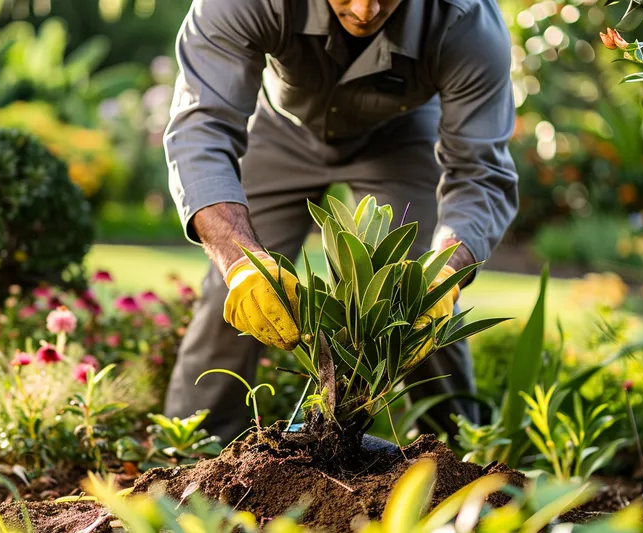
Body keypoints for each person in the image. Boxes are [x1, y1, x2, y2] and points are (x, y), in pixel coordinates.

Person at [161, 0, 519, 442]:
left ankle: (460, 457)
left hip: (400, 136)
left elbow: (480, 173)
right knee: (235, 299)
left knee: (418, 299)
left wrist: (444, 272)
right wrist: (239, 264)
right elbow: (201, 128)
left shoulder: (466, 20)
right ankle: (185, 455)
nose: (366, 11)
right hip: (280, 131)